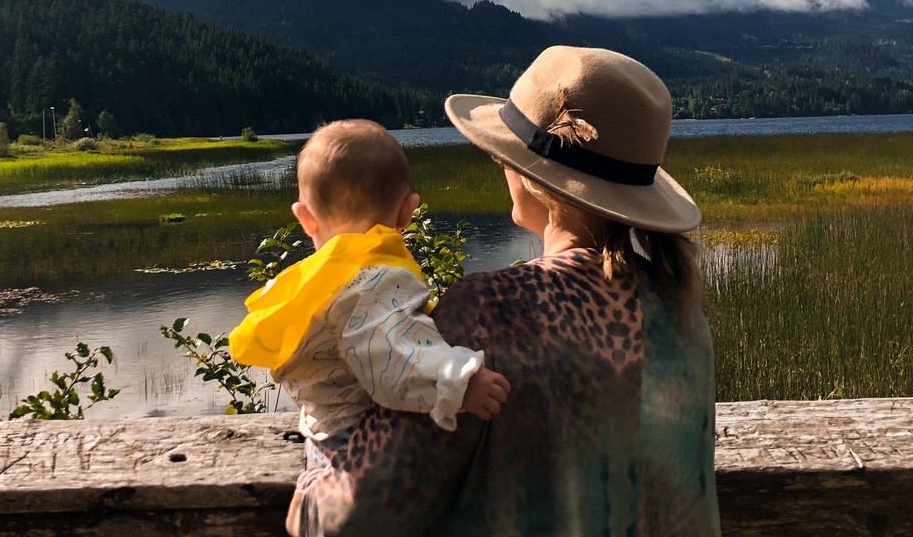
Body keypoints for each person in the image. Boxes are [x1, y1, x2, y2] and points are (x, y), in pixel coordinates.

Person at [286, 46, 721, 537]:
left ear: (533, 179)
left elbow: (341, 519)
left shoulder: (491, 313)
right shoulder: (682, 311)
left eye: (503, 156)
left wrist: (319, 444)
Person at [229, 119, 511, 469]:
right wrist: (461, 381)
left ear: (305, 219)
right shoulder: (374, 281)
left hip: (323, 438)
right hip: (364, 445)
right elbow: (394, 356)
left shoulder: (315, 282)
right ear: (408, 211)